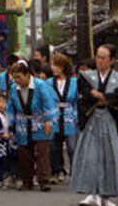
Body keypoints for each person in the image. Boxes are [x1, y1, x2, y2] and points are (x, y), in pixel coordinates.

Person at [70, 44, 118, 206]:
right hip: (92, 120)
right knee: (90, 156)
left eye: (103, 58)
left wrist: (100, 95)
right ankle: (91, 193)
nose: (99, 61)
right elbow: (85, 95)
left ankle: (105, 196)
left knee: (108, 157)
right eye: (97, 57)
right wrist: (105, 97)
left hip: (108, 120)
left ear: (111, 60)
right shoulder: (87, 77)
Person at [7, 61, 58, 192]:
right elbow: (11, 106)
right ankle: (27, 180)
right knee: (24, 152)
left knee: (42, 152)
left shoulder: (40, 85)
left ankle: (43, 180)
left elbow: (48, 102)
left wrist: (48, 121)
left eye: (19, 77)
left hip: (40, 119)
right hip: (23, 121)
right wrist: (9, 124)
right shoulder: (13, 88)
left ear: (27, 75)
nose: (16, 80)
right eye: (14, 77)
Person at [46, 53, 78, 184]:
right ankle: (57, 170)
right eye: (53, 65)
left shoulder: (75, 82)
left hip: (70, 116)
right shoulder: (48, 82)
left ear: (63, 67)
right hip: (54, 116)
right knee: (54, 146)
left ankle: (75, 171)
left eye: (57, 66)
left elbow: (76, 101)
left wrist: (77, 116)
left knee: (72, 146)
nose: (54, 68)